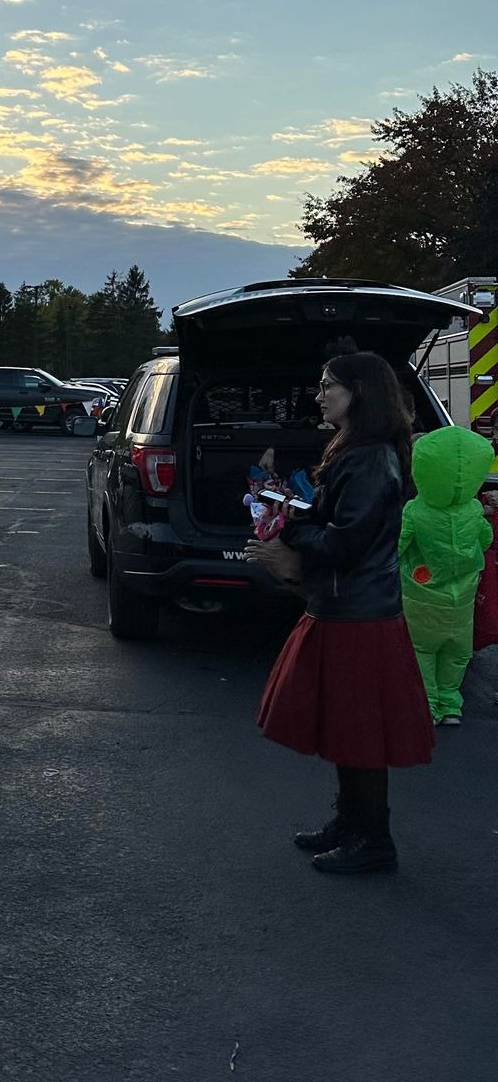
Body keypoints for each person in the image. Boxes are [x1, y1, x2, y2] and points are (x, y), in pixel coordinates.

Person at [246, 350, 434, 875]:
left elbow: (345, 543)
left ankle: (374, 841)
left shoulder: (371, 458)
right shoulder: (355, 450)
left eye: (329, 385)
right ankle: (351, 823)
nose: (320, 394)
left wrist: (289, 530)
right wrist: (290, 506)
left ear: (360, 393)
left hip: (360, 615)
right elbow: (336, 521)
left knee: (361, 731)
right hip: (345, 607)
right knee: (347, 726)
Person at [398, 425, 495, 725]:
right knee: (456, 654)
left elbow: (397, 545)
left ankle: (428, 706)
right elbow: (485, 540)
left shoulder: (415, 510)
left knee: (422, 652)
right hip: (462, 599)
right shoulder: (473, 510)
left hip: (422, 597)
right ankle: (451, 703)